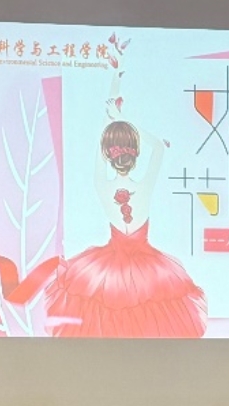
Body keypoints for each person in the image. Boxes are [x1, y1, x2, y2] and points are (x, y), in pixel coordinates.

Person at [43, 67, 207, 337]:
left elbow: (102, 141)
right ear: (136, 155)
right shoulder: (144, 186)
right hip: (150, 269)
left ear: (109, 156)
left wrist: (114, 115)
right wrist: (124, 120)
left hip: (108, 270)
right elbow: (159, 147)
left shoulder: (102, 185)